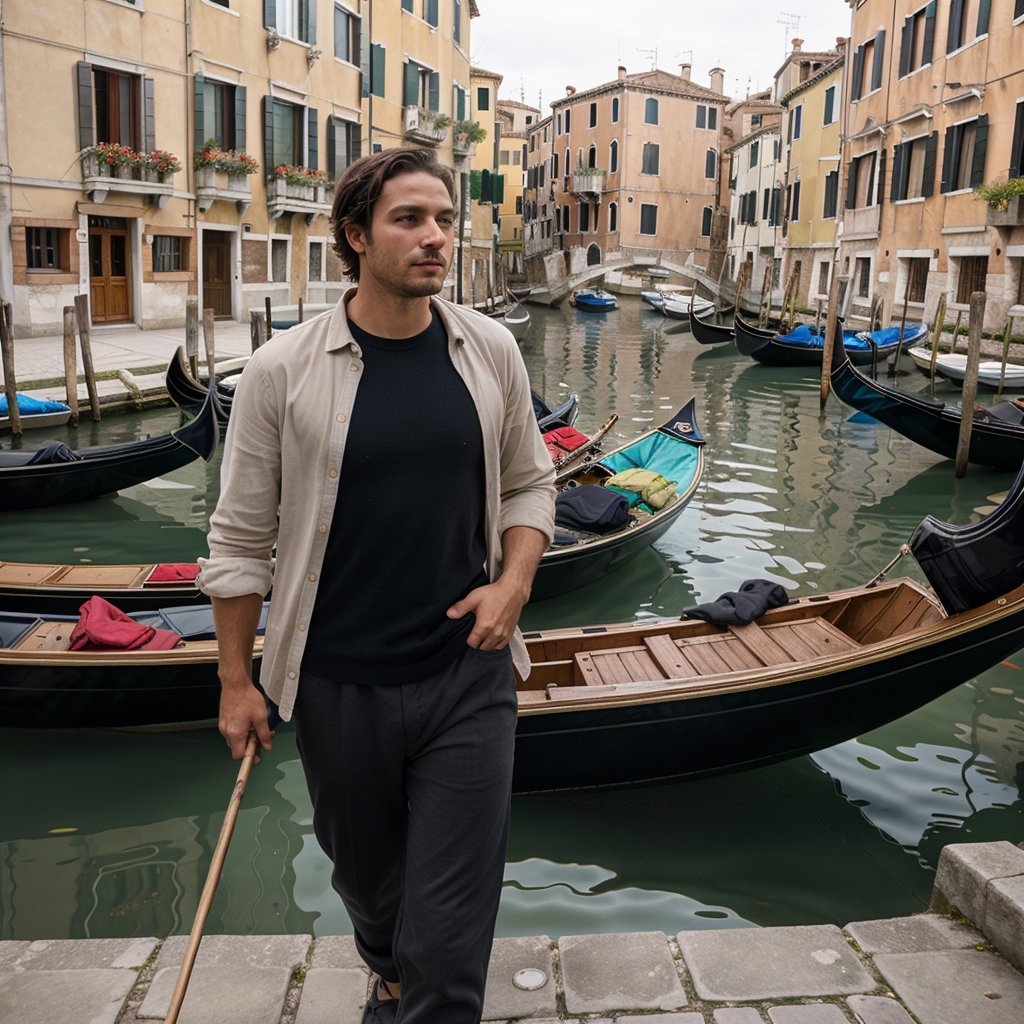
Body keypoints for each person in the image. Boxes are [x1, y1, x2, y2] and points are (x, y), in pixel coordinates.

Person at [199, 146, 556, 1024]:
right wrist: (237, 682)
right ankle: (389, 973)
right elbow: (240, 539)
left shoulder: (490, 349)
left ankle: (422, 991)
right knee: (372, 895)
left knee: (448, 939)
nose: (435, 238)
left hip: (466, 673)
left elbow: (529, 481)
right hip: (335, 682)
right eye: (409, 220)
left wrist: (512, 584)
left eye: (442, 220)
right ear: (355, 238)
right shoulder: (281, 372)